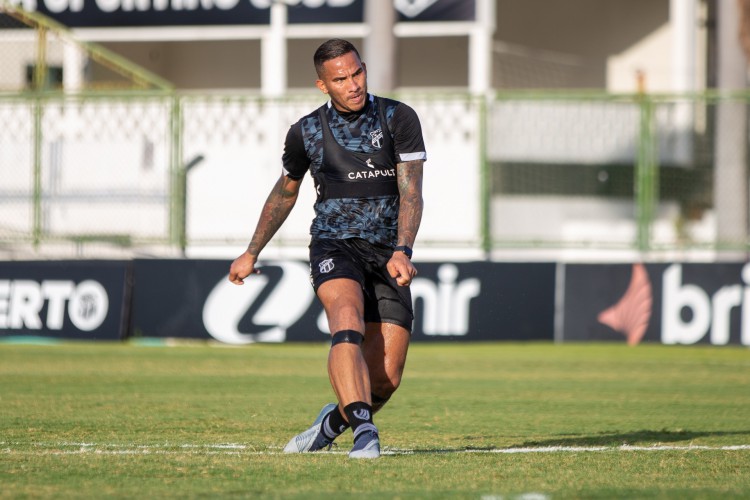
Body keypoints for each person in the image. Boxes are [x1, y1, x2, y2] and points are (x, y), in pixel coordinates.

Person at [228, 38, 426, 459]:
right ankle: (365, 436)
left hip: (388, 253)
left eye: (357, 73)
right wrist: (252, 252)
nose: (353, 84)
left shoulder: (398, 117)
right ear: (323, 85)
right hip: (334, 244)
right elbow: (284, 193)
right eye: (341, 79)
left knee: (387, 378)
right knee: (346, 320)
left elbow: (411, 192)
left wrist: (402, 249)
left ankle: (333, 423)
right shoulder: (305, 132)